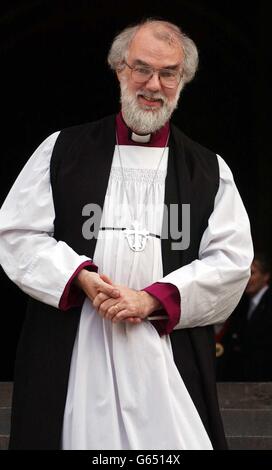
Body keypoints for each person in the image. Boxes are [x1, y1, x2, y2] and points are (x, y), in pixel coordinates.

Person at [0, 19, 253, 450]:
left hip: (164, 355)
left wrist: (152, 298)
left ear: (183, 80)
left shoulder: (209, 172)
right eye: (141, 69)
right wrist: (80, 275)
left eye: (168, 72)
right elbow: (18, 234)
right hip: (78, 349)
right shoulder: (61, 151)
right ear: (119, 69)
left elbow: (231, 262)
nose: (153, 85)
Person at [216, 253, 272, 381]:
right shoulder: (242, 303)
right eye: (245, 274)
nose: (247, 278)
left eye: (252, 273)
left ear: (266, 276)